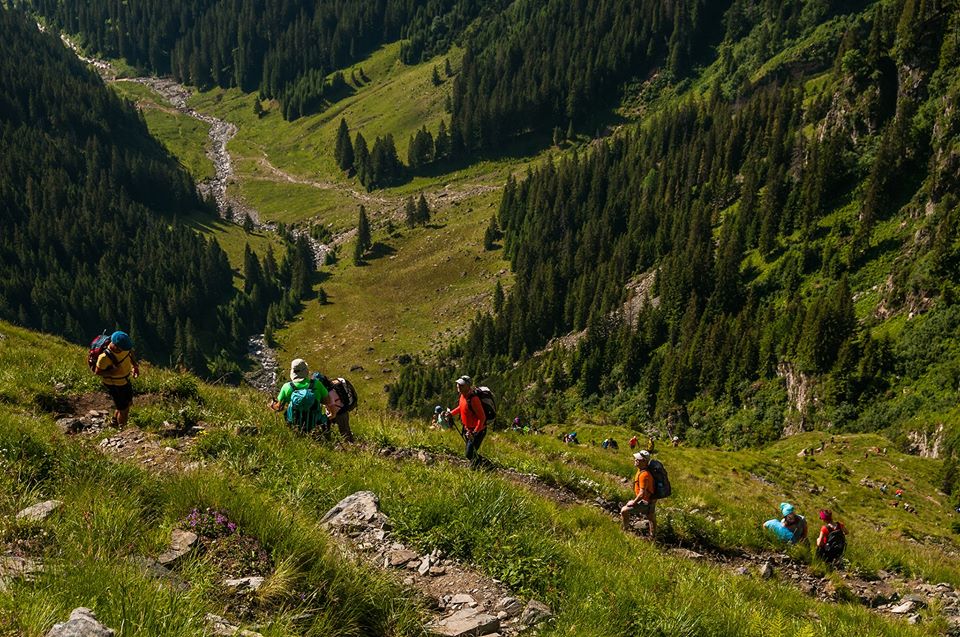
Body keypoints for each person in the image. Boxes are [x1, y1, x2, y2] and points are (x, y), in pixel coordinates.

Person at [271, 359, 333, 434]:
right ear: (306, 371)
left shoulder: (286, 387)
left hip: (294, 426)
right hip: (315, 424)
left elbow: (278, 407)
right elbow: (328, 401)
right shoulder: (317, 384)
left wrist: (272, 405)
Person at [94, 330, 139, 428]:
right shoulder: (104, 358)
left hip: (124, 381)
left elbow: (130, 352)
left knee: (127, 403)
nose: (125, 350)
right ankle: (122, 430)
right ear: (115, 345)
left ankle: (114, 422)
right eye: (122, 348)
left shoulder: (124, 348)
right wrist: (111, 372)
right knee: (124, 410)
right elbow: (97, 372)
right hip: (114, 385)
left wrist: (135, 366)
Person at [448, 375, 487, 469]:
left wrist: (475, 432)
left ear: (468, 386)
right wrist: (451, 413)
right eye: (458, 384)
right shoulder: (462, 396)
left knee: (469, 453)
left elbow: (482, 418)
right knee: (470, 451)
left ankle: (486, 466)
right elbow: (461, 407)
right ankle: (477, 466)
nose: (458, 386)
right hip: (467, 429)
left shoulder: (474, 399)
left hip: (477, 431)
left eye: (461, 385)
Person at [621, 450, 656, 539]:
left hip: (646, 502)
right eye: (636, 458)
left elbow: (641, 493)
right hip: (650, 500)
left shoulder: (644, 475)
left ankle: (625, 530)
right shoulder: (641, 470)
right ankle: (653, 536)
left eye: (638, 459)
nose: (635, 460)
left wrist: (634, 502)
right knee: (651, 517)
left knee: (624, 510)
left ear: (644, 461)